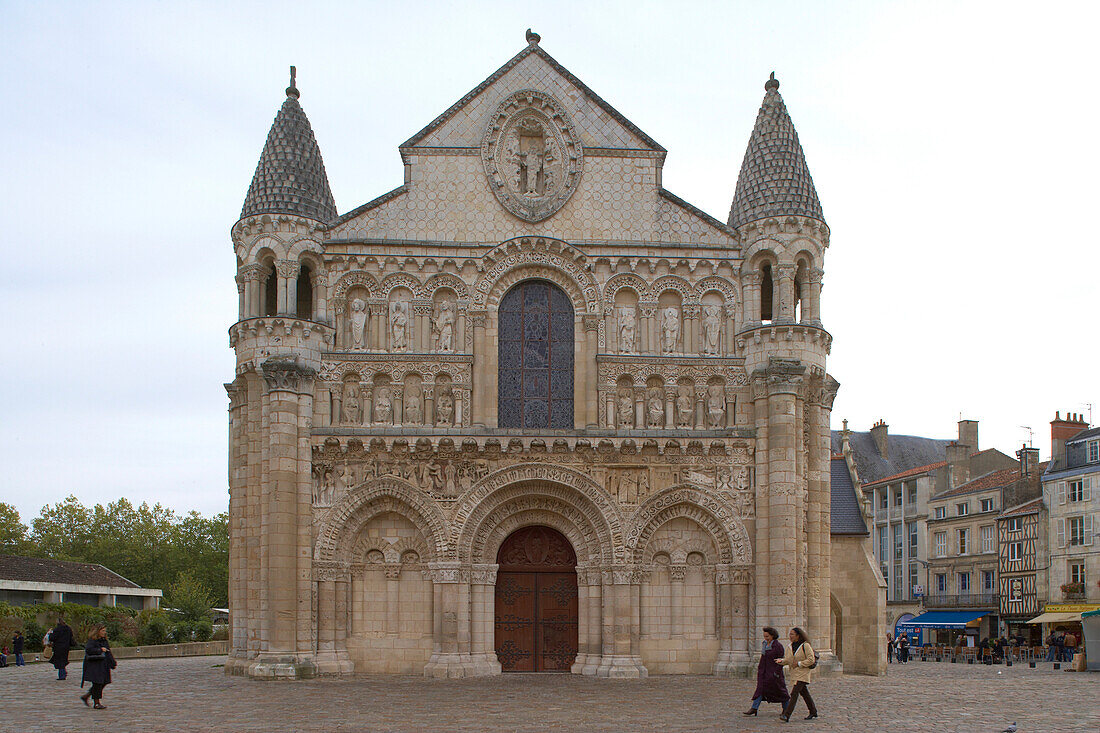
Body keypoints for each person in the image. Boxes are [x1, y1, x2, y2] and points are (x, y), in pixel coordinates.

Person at [743, 627, 789, 717]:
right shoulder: (764, 644)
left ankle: (786, 709)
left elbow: (781, 660)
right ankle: (754, 708)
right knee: (760, 689)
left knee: (781, 691)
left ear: (772, 635)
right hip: (764, 671)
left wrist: (776, 673)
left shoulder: (778, 646)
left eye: (767, 636)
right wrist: (760, 670)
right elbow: (763, 658)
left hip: (774, 673)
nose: (766, 638)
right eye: (764, 636)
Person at [777, 627, 818, 722]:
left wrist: (799, 663)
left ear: (798, 636)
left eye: (792, 634)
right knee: (804, 693)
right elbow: (788, 660)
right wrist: (781, 661)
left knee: (794, 693)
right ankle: (813, 711)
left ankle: (786, 715)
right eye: (790, 634)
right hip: (795, 673)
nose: (790, 636)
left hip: (803, 673)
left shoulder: (805, 645)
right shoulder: (790, 646)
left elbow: (811, 659)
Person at [79, 624, 116, 709]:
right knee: (97, 683)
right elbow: (89, 650)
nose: (104, 632)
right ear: (98, 631)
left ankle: (87, 696)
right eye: (103, 630)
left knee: (104, 682)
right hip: (95, 665)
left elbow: (108, 651)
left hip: (103, 664)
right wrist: (100, 650)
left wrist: (112, 662)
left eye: (105, 630)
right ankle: (96, 702)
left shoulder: (104, 640)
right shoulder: (93, 640)